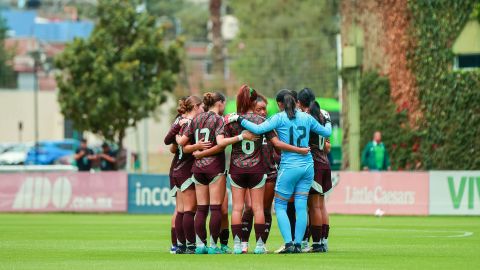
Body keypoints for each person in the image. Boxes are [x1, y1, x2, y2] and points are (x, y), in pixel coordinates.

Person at [227, 89, 332, 253]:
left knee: (281, 205)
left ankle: (289, 243)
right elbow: (327, 132)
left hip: (289, 166)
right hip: (307, 166)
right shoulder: (307, 117)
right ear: (295, 101)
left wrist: (239, 118)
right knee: (301, 206)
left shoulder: (279, 117)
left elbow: (258, 129)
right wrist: (328, 121)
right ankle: (299, 243)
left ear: (280, 104)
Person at [177, 92, 243, 254]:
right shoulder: (219, 120)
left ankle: (200, 246)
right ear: (219, 103)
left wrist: (197, 149)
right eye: (224, 103)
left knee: (201, 209)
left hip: (197, 169)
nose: (225, 106)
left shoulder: (196, 119)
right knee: (215, 208)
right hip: (214, 168)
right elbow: (221, 144)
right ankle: (213, 246)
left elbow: (183, 144)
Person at [298, 88, 333, 253]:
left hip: (313, 165)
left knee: (311, 207)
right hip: (325, 163)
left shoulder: (305, 117)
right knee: (321, 205)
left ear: (300, 102)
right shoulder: (325, 114)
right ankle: (323, 241)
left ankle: (314, 243)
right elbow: (327, 144)